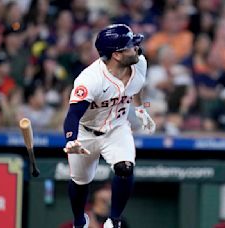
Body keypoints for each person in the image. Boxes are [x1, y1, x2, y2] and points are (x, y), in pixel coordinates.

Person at [63, 24, 156, 228]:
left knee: (125, 168)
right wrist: (71, 140)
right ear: (117, 55)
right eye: (131, 46)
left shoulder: (139, 63)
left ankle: (114, 221)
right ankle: (80, 221)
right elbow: (73, 115)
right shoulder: (90, 79)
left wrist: (141, 110)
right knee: (80, 181)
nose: (137, 48)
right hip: (86, 131)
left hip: (117, 128)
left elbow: (135, 87)